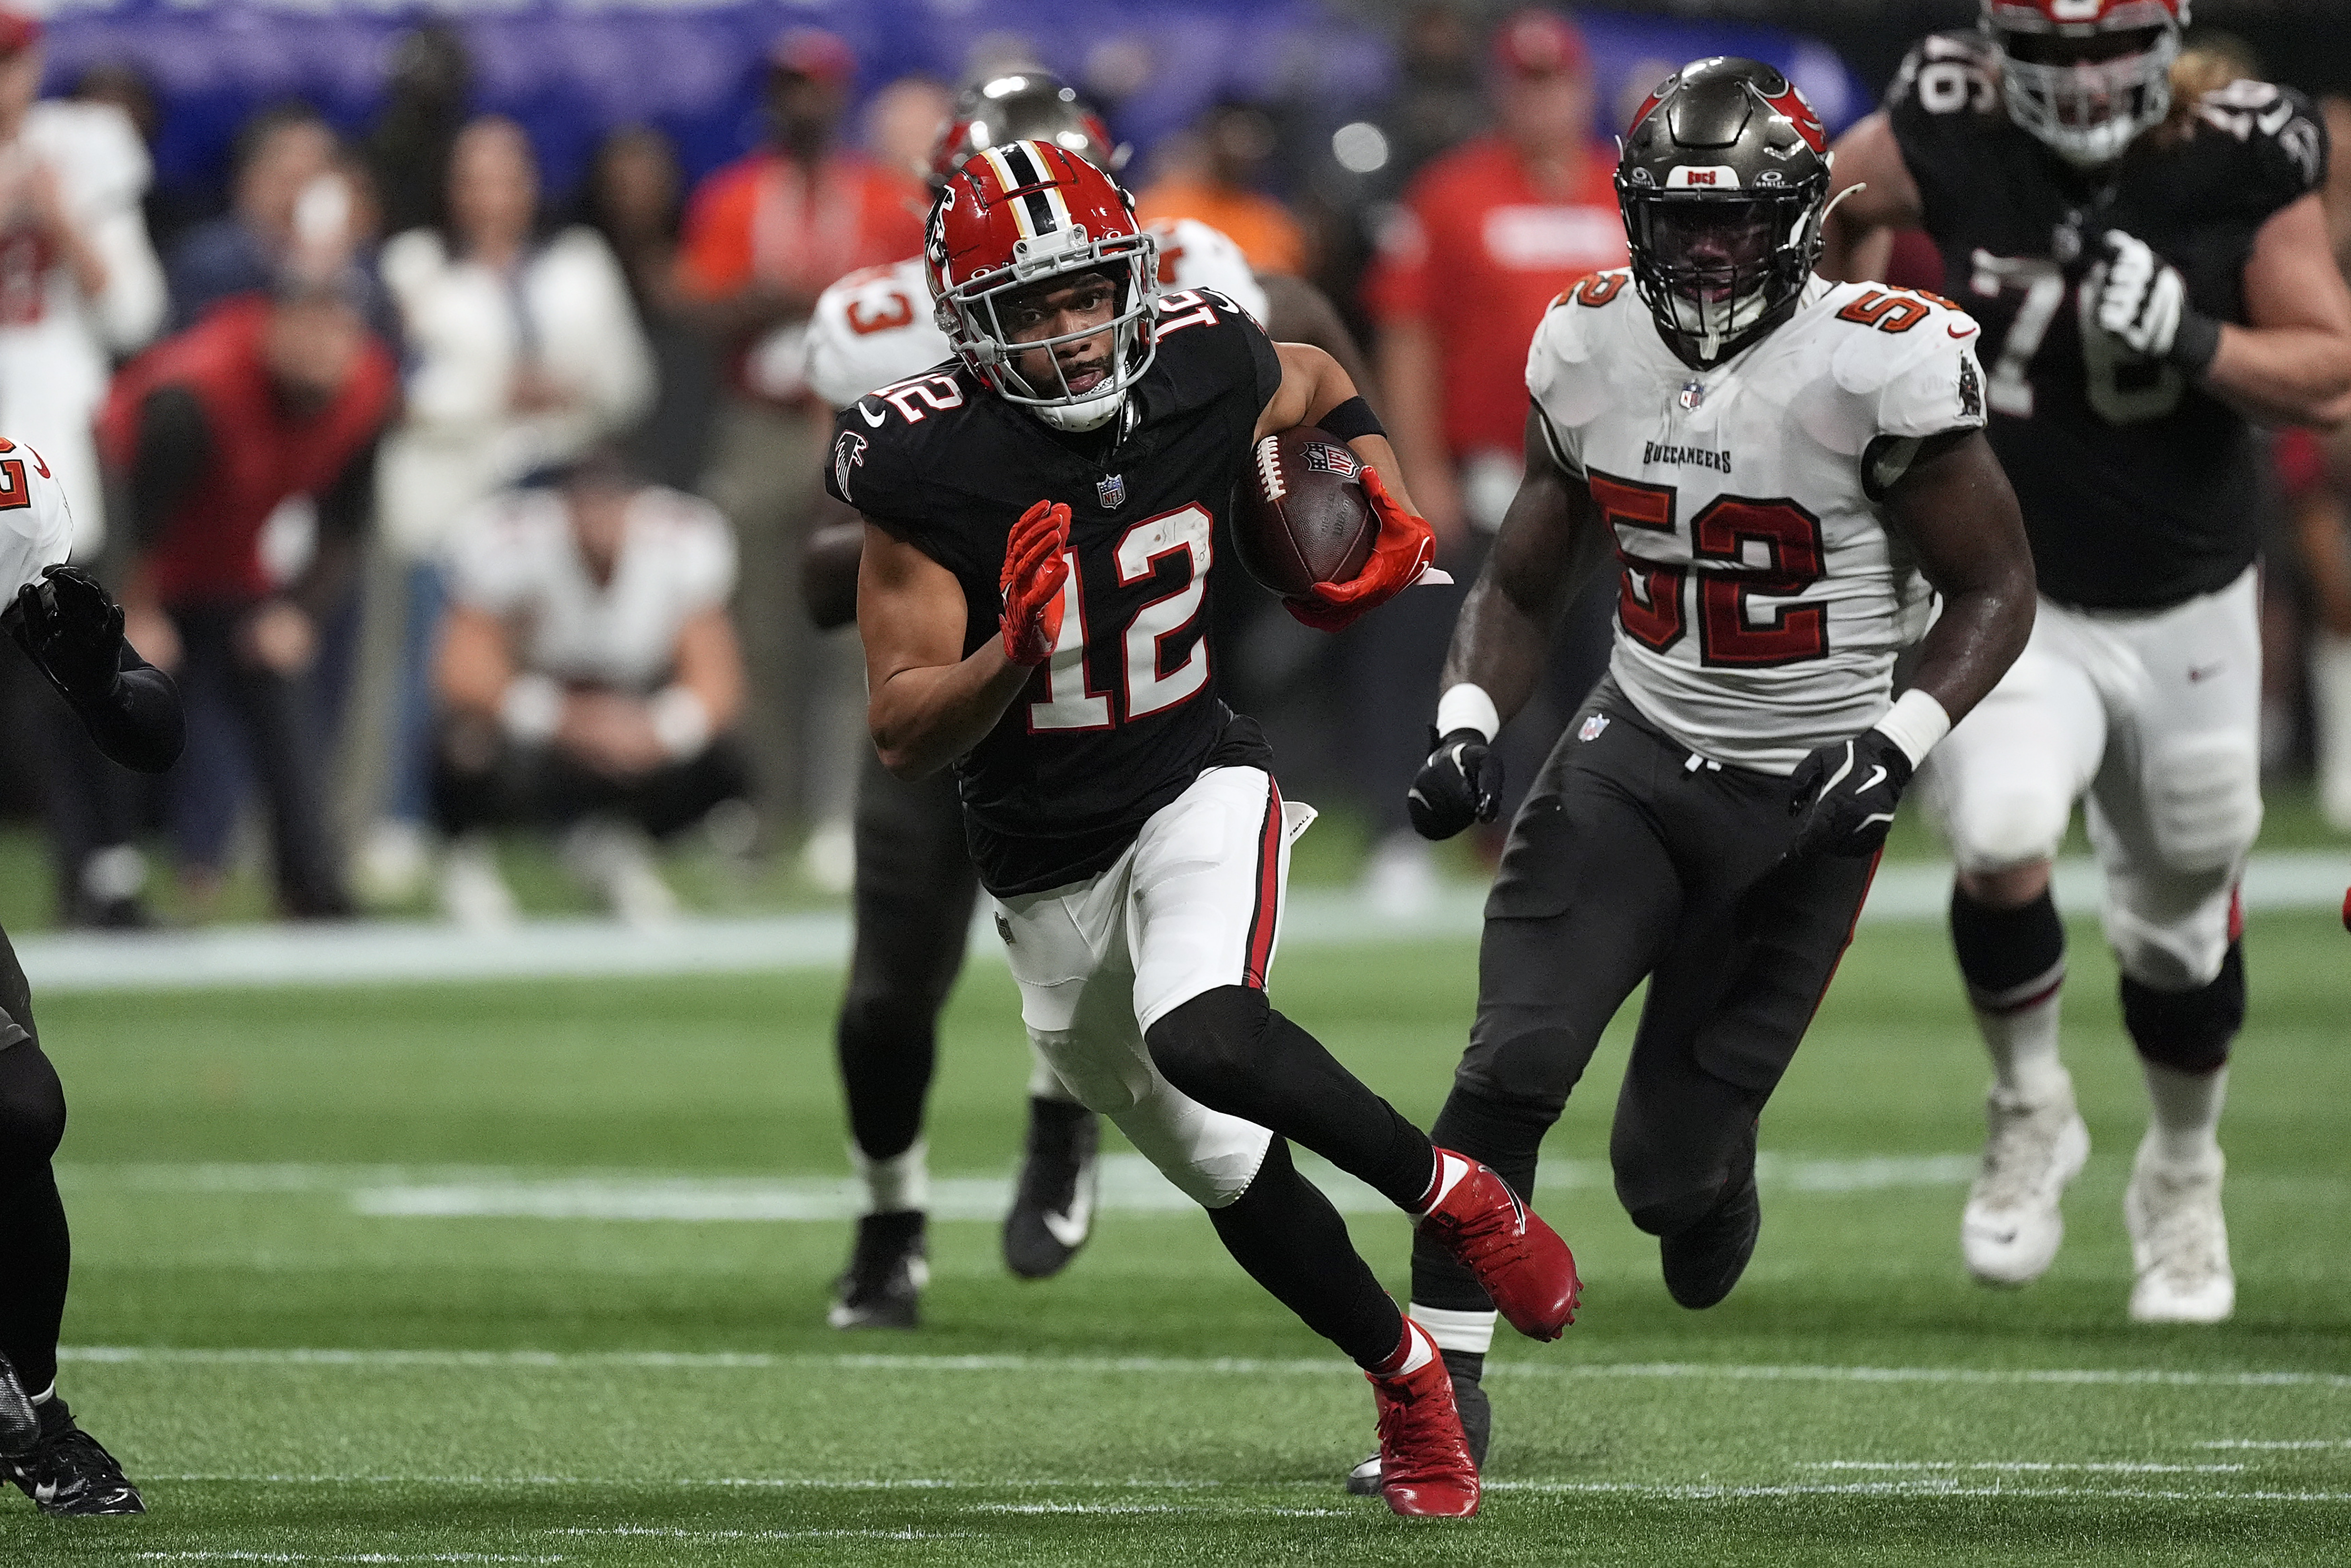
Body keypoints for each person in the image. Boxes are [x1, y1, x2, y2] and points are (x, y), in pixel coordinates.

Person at [837, 138, 1580, 1518]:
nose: (1072, 331)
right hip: (1040, 863)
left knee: (1205, 1026)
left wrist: (1381, 484)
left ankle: (1457, 1195)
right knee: (1227, 1166)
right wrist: (1009, 653)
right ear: (971, 324)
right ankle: (1410, 1377)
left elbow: (1311, 372)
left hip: (1194, 780)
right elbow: (901, 725)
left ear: (1130, 280)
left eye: (1088, 293)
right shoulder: (923, 457)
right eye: (1034, 305)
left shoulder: (1196, 356)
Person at [1348, 58, 2037, 1493]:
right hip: (1636, 751)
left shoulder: (1879, 360)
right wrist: (1467, 720)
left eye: (1736, 222)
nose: (1706, 250)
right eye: (1679, 219)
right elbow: (1524, 577)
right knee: (1511, 1062)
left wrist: (1895, 743)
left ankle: (1713, 1170)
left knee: (1670, 1183)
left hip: (1808, 796)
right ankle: (1440, 1388)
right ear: (1635, 215)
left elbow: (1995, 586)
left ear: (1802, 221)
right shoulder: (1588, 343)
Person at [801, 70, 1369, 1323]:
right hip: (965, 684)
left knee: (1129, 958)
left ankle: (1060, 1115)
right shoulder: (886, 349)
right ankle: (889, 1217)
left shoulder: (1182, 285)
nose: (1048, 264)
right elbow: (814, 576)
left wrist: (1367, 479)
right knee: (890, 986)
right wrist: (951, 517)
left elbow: (1306, 335)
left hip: (1126, 679)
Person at [1820, 0, 2351, 1322]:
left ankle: (2181, 1171)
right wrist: (1846, 327)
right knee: (2000, 830)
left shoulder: (2238, 146)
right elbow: (1821, 210)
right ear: (2003, 49)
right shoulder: (1947, 113)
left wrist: (2194, 337)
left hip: (2188, 595)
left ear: (2165, 39)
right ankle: (2028, 1101)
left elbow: (2330, 370)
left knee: (2176, 928)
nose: (2081, 79)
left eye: (2105, 47)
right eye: (2053, 52)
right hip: (2017, 589)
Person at [1354, 6, 1628, 913]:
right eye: (1526, 83)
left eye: (1556, 83)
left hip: (1608, 480)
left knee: (1603, 670)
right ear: (1499, 91)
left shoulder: (1622, 191)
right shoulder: (1450, 193)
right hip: (1485, 476)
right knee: (1438, 657)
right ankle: (1399, 835)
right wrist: (1415, 467)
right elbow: (1408, 334)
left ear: (1582, 89)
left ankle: (1586, 836)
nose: (1542, 101)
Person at [365, 114, 654, 902]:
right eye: (474, 177)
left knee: (567, 669)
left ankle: (578, 827)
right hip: (452, 498)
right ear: (450, 187)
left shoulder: (579, 264)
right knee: (439, 670)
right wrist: (496, 394)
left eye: (507, 175)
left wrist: (574, 391)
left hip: (556, 498)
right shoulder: (414, 266)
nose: (492, 193)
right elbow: (394, 392)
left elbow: (629, 381)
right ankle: (412, 820)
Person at [675, 27, 925, 840]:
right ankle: (767, 806)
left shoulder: (884, 197)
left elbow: (923, 307)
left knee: (860, 620)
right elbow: (697, 306)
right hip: (761, 419)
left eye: (813, 85)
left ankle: (842, 810)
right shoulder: (734, 196)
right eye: (787, 87)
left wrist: (826, 301)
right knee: (759, 622)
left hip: (862, 418)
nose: (800, 102)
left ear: (839, 95)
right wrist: (762, 298)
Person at [0, 441, 183, 1514]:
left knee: (18, 1109)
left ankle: (33, 1408)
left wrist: (104, 684)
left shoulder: (11, 500)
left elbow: (153, 734)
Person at [100, 268, 399, 917]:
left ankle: (308, 883)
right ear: (271, 328)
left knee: (277, 677)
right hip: (129, 553)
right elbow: (129, 507)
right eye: (307, 325)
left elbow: (346, 525)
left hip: (230, 564)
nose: (322, 347)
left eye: (337, 329)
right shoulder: (197, 391)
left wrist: (297, 612)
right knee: (117, 686)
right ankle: (105, 884)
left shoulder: (369, 391)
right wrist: (137, 608)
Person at [430, 451, 748, 926]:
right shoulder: (512, 543)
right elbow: (460, 672)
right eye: (585, 505)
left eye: (610, 504)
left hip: (636, 717)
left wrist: (656, 732)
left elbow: (719, 684)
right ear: (562, 507)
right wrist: (564, 720)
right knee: (466, 745)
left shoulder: (681, 543)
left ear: (635, 504)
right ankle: (469, 863)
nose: (598, 521)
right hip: (542, 729)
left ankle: (624, 851)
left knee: (722, 762)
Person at [1135, 100, 1309, 277]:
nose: (1239, 148)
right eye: (1233, 136)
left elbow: (1277, 284)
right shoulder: (1160, 207)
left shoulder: (1276, 229)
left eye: (1249, 139)